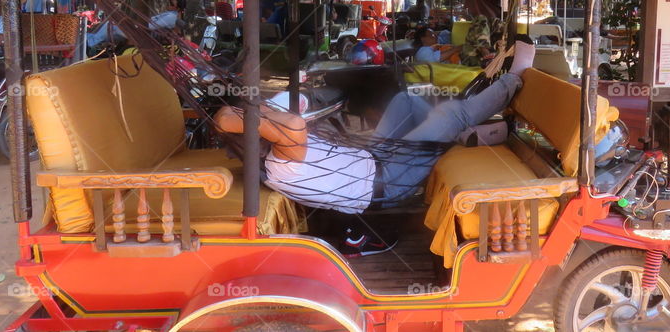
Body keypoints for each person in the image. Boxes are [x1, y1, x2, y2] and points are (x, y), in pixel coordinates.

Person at [214, 41, 538, 256]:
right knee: (451, 113)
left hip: (375, 157)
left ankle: (461, 133)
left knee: (404, 100)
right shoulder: (285, 154)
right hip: (389, 180)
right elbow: (280, 122)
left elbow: (227, 118)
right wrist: (266, 107)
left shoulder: (276, 149)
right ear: (259, 133)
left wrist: (255, 108)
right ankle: (514, 78)